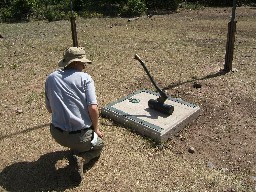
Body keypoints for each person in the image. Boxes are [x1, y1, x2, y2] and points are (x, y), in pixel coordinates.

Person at [45, 47, 104, 182]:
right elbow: (93, 109)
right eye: (83, 62)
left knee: (75, 141)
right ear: (76, 62)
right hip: (80, 137)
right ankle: (82, 159)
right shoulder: (85, 78)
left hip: (57, 134)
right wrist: (96, 130)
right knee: (99, 144)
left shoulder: (51, 78)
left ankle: (75, 149)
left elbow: (50, 109)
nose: (85, 65)